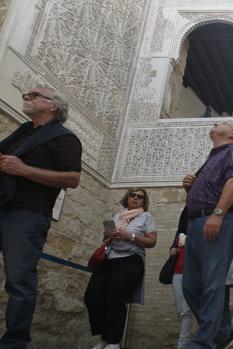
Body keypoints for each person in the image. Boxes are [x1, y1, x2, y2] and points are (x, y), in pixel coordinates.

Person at [0, 83, 82, 348]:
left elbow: (72, 178)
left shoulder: (65, 138)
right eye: (26, 94)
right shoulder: (24, 131)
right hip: (4, 206)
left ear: (52, 104)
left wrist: (23, 170)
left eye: (33, 95)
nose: (26, 97)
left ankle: (14, 343)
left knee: (19, 280)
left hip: (27, 214)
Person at [181, 121, 233, 349]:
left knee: (212, 284)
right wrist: (191, 187)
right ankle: (222, 334)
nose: (215, 122)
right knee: (190, 285)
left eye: (222, 123)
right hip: (197, 223)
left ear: (232, 134)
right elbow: (211, 190)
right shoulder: (211, 159)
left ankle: (203, 342)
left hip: (217, 221)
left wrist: (218, 214)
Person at [85, 188, 158, 349]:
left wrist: (130, 236)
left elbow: (152, 242)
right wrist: (109, 234)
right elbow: (106, 238)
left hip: (131, 259)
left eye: (140, 197)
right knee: (92, 296)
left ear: (144, 202)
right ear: (128, 197)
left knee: (115, 298)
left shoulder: (146, 217)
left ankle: (113, 342)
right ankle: (104, 337)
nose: (136, 198)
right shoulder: (119, 215)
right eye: (133, 195)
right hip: (110, 257)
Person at [168, 207, 195, 349]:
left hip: (192, 273)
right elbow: (173, 248)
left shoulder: (201, 229)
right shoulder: (180, 232)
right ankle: (187, 342)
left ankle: (182, 344)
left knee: (186, 311)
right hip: (177, 272)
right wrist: (173, 250)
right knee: (181, 310)